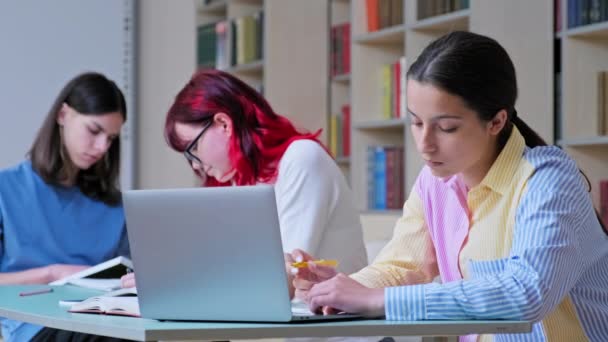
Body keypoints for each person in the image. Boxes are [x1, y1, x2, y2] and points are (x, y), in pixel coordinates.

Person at [292, 31, 608, 341]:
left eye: (446, 127)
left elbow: (525, 293)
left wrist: (378, 300)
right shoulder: (435, 182)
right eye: (416, 123)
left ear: (496, 122)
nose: (424, 144)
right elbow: (403, 266)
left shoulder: (547, 180)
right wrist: (342, 290)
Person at [121, 69, 367, 297]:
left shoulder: (301, 158)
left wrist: (175, 280)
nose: (195, 165)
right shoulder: (241, 181)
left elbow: (279, 276)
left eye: (193, 148)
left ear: (225, 124)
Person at [0, 72, 132, 342]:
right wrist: (53, 273)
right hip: (36, 326)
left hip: (104, 321)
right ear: (63, 115)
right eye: (94, 131)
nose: (101, 147)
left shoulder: (116, 207)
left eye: (111, 138)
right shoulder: (6, 191)